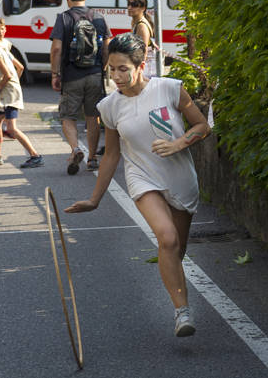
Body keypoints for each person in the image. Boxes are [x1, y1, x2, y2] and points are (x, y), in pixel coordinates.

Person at [65, 33, 210, 337]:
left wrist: (180, 143)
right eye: (111, 69)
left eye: (122, 69)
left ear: (141, 65)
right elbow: (112, 155)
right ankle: (182, 312)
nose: (115, 76)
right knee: (167, 239)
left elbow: (202, 126)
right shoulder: (109, 107)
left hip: (179, 177)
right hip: (142, 176)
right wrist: (95, 199)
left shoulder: (169, 89)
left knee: (177, 249)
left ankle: (175, 287)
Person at [50, 0, 112, 175]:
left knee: (68, 116)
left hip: (72, 75)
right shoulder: (98, 17)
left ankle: (76, 148)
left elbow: (56, 48)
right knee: (93, 117)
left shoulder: (64, 18)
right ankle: (92, 158)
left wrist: (55, 74)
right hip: (94, 74)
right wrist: (103, 68)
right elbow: (108, 46)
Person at [0, 21, 43, 168]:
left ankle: (35, 155)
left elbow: (7, 75)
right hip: (5, 95)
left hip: (8, 95)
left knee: (11, 128)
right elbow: (18, 68)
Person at [127, 0, 159, 78]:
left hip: (145, 70)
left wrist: (138, 72)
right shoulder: (135, 22)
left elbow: (143, 52)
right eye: (129, 4)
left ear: (143, 8)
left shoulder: (141, 26)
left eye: (134, 5)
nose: (129, 8)